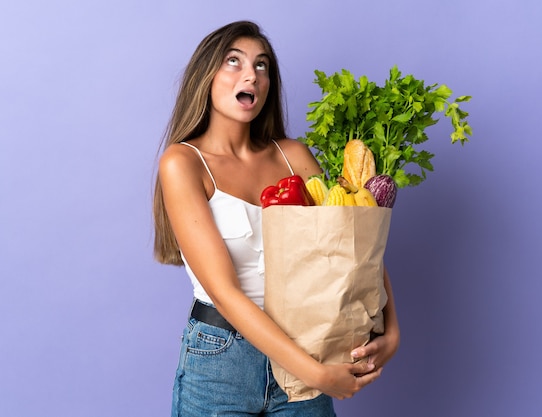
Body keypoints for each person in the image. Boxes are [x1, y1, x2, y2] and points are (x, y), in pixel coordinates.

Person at [153, 20, 400, 416]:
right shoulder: (183, 163)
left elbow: (355, 244)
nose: (251, 73)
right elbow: (225, 292)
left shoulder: (294, 156)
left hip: (308, 345)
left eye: (262, 65)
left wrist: (393, 330)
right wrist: (315, 374)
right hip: (222, 361)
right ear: (206, 76)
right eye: (234, 61)